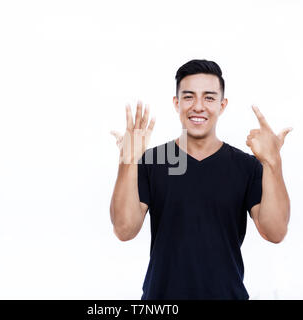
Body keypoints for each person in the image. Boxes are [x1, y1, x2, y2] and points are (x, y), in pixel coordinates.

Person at [109, 59, 292, 300]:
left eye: (208, 97)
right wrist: (127, 161)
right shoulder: (153, 161)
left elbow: (275, 232)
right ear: (176, 103)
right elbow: (124, 230)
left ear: (222, 105)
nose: (198, 106)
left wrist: (273, 163)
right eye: (188, 97)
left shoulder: (246, 166)